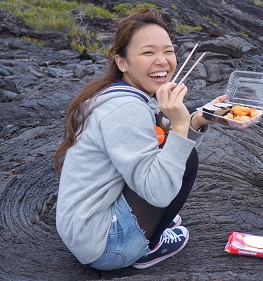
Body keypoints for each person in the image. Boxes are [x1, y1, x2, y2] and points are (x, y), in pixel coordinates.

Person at [53, 8, 226, 270]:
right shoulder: (126, 109)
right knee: (186, 157)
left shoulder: (125, 94)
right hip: (106, 246)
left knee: (173, 148)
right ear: (122, 62)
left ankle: (145, 226)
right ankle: (145, 247)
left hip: (82, 227)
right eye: (148, 52)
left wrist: (195, 121)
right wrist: (179, 125)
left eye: (168, 51)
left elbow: (160, 147)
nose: (163, 61)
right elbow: (158, 191)